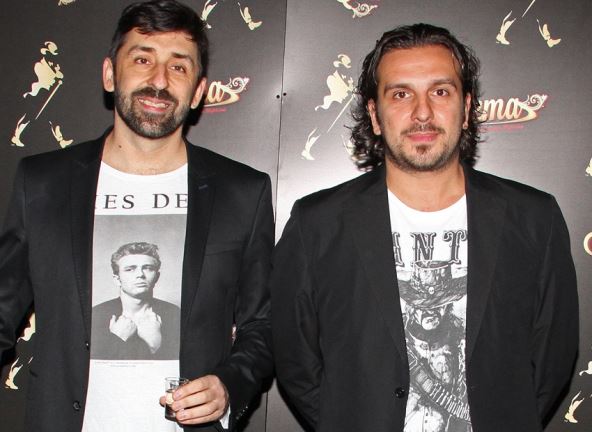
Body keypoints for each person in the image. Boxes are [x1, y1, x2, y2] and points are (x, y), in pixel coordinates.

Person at [271, 23, 578, 432]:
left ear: (466, 108)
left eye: (440, 91)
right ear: (374, 115)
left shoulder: (534, 218)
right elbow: (295, 360)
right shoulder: (317, 224)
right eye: (401, 94)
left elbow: (552, 358)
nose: (422, 113)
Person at [0, 1, 273, 431]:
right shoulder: (42, 183)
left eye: (178, 67)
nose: (159, 81)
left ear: (198, 91)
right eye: (143, 60)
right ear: (110, 74)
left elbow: (265, 324)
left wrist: (229, 386)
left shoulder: (242, 192)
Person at [91, 242, 181, 360]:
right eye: (130, 269)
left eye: (148, 268)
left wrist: (156, 344)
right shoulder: (96, 315)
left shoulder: (174, 314)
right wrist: (117, 339)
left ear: (157, 277)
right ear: (117, 279)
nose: (140, 274)